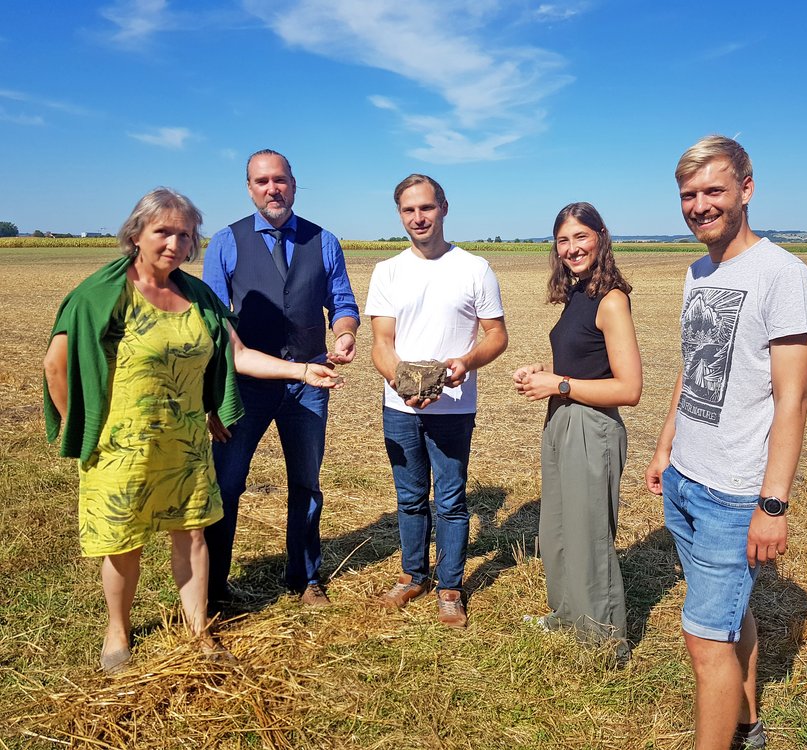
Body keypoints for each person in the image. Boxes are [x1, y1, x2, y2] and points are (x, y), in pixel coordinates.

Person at [42, 188, 344, 673]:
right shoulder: (101, 295)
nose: (174, 243)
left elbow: (237, 356)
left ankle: (200, 630)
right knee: (123, 543)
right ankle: (117, 633)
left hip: (185, 444)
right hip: (121, 446)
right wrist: (86, 433)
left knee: (193, 537)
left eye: (185, 234)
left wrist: (303, 372)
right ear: (135, 234)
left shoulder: (198, 297)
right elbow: (57, 367)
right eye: (163, 231)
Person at [644, 136, 807, 750]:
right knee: (726, 615)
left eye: (713, 190)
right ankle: (747, 727)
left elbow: (792, 400)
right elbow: (692, 368)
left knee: (703, 641)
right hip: (688, 478)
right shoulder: (698, 272)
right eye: (688, 195)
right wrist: (667, 447)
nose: (699, 205)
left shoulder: (784, 275)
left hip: (734, 490)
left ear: (747, 189)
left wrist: (772, 505)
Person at [202, 149, 360, 608]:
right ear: (250, 189)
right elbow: (215, 323)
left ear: (294, 183)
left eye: (281, 180)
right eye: (262, 181)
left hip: (309, 383)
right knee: (227, 484)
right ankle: (213, 587)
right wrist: (213, 393)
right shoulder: (226, 242)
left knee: (306, 482)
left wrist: (345, 334)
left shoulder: (324, 240)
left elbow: (342, 302)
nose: (273, 189)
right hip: (244, 385)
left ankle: (305, 576)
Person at [366, 174, 508, 628]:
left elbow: (497, 335)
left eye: (426, 207)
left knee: (449, 499)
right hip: (400, 407)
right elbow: (380, 343)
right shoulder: (388, 270)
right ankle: (413, 575)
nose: (418, 217)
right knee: (409, 498)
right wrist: (405, 384)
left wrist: (467, 361)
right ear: (400, 215)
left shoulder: (473, 268)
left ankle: (449, 586)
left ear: (444, 207)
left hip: (454, 407)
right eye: (409, 210)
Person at [513, 202, 642, 663]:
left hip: (592, 426)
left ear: (601, 236)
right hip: (562, 418)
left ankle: (606, 643)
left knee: (590, 536)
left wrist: (560, 384)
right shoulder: (577, 294)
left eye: (580, 237)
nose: (571, 248)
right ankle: (567, 615)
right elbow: (587, 363)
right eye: (563, 240)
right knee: (558, 530)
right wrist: (545, 373)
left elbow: (629, 388)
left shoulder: (611, 299)